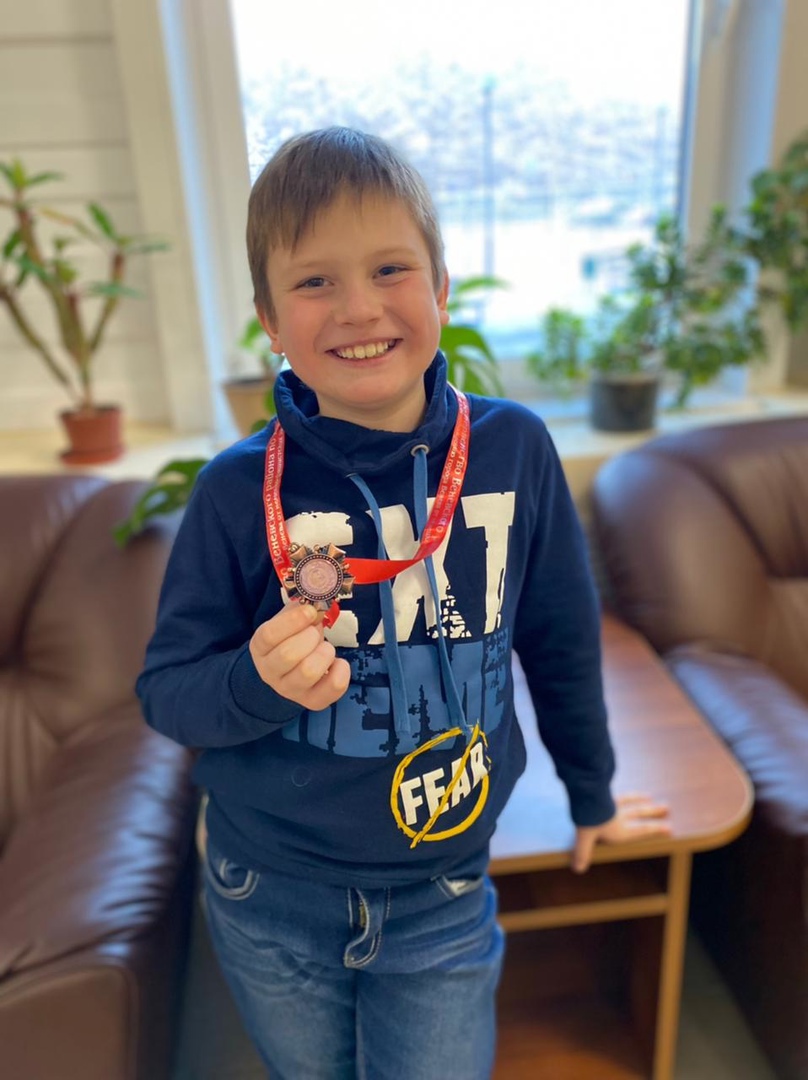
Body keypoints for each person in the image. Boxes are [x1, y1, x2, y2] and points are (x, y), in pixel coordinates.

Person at [137, 126, 670, 1080]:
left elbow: (559, 637)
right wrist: (255, 682)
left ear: (442, 288)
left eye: (390, 268)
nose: (359, 308)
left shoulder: (515, 450)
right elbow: (167, 694)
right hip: (268, 889)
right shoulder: (232, 491)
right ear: (268, 319)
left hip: (443, 889)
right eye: (314, 281)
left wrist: (591, 789)